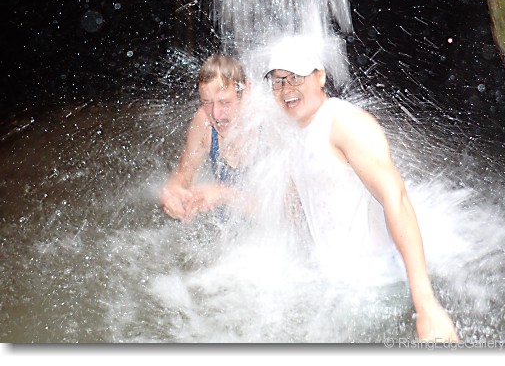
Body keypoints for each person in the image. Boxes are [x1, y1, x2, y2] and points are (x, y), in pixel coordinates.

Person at [264, 36, 459, 343]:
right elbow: (291, 208)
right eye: (278, 81)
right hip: (342, 283)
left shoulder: (344, 123)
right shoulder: (296, 134)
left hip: (378, 283)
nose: (287, 89)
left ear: (320, 76)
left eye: (296, 78)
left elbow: (396, 199)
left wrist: (426, 305)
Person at [160, 53, 254, 222]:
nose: (215, 114)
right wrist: (174, 193)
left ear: (246, 91)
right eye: (207, 102)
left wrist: (224, 194)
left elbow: (289, 209)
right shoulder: (204, 121)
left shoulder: (268, 126)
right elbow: (184, 174)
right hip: (229, 230)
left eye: (224, 102)